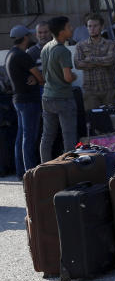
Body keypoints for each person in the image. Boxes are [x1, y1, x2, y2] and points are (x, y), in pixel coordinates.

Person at [38, 17, 77, 162]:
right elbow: (67, 77)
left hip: (47, 96)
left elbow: (44, 73)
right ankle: (70, 169)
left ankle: (45, 168)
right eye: (69, 27)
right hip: (63, 97)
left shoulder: (46, 47)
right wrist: (73, 76)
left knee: (47, 135)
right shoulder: (63, 51)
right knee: (69, 136)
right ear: (61, 32)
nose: (71, 29)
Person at [6, 25, 43, 177]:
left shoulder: (10, 54)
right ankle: (31, 172)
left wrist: (34, 77)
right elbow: (41, 78)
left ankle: (22, 171)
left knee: (21, 137)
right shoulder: (23, 55)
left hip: (18, 100)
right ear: (26, 37)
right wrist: (37, 77)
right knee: (29, 137)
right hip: (28, 101)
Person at [73, 13, 115, 111]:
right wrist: (102, 60)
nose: (92, 29)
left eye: (95, 26)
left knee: (111, 120)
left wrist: (90, 59)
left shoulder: (110, 44)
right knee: (93, 121)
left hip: (108, 89)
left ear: (102, 27)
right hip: (90, 91)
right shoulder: (81, 45)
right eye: (89, 26)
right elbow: (78, 64)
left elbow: (110, 61)